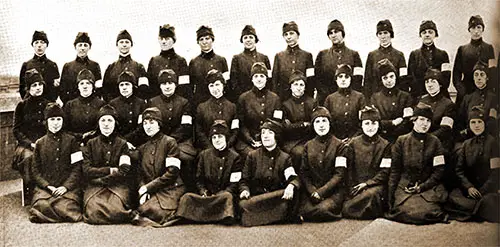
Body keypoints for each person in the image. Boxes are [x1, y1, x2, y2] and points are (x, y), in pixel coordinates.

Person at [386, 103, 449, 225]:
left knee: (428, 211)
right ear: (413, 121)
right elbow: (395, 171)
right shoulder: (401, 141)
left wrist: (422, 187)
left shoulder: (435, 142)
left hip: (429, 187)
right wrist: (390, 195)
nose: (425, 124)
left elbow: (439, 171)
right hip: (405, 186)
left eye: (428, 121)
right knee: (405, 210)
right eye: (421, 120)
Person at [176, 120, 242, 224]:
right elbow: (199, 179)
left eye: (220, 137)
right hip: (207, 197)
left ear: (226, 138)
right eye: (214, 137)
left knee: (227, 197)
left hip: (222, 197)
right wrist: (203, 191)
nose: (217, 140)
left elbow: (234, 183)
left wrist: (223, 193)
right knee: (187, 197)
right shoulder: (204, 155)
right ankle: (215, 215)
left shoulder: (235, 157)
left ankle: (206, 216)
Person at [130, 107, 186, 227]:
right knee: (142, 209)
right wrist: (143, 190)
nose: (148, 126)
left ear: (159, 124)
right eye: (145, 123)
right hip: (154, 190)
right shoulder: (142, 148)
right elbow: (140, 174)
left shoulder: (170, 142)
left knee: (151, 212)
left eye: (152, 122)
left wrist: (148, 188)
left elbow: (172, 173)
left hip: (171, 188)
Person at [239, 119, 300, 226]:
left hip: (276, 197)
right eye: (263, 133)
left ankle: (264, 217)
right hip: (258, 198)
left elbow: (293, 178)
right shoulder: (252, 156)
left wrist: (291, 186)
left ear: (276, 136)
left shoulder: (285, 158)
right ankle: (278, 217)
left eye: (270, 133)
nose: (265, 136)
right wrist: (245, 190)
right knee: (243, 204)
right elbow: (244, 180)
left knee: (290, 198)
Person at [29, 103, 82, 223]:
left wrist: (65, 187)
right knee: (41, 204)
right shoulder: (40, 143)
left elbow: (77, 167)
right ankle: (55, 212)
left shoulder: (72, 141)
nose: (56, 122)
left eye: (59, 119)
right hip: (46, 188)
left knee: (68, 206)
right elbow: (35, 171)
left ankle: (50, 213)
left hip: (67, 188)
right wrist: (48, 186)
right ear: (46, 121)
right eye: (52, 119)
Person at [82, 105, 134, 224]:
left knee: (116, 208)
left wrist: (103, 178)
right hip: (95, 186)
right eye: (103, 120)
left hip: (117, 185)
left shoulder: (123, 144)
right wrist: (110, 170)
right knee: (93, 211)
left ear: (115, 123)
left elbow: (124, 170)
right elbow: (86, 170)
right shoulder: (90, 144)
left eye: (110, 120)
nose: (106, 124)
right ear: (98, 123)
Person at [446, 106, 499, 222]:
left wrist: (482, 191)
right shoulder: (466, 144)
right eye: (473, 122)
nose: (476, 125)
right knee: (452, 196)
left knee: (489, 201)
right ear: (469, 125)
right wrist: (469, 187)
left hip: (488, 189)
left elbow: (496, 172)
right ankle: (478, 208)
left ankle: (478, 206)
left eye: (480, 122)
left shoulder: (493, 143)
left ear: (485, 124)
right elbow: (459, 170)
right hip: (471, 188)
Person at [147, 70, 197, 191]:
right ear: (160, 86)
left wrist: (170, 140)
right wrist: (163, 140)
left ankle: (187, 190)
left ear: (175, 84)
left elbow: (186, 126)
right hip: (158, 140)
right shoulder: (153, 102)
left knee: (186, 159)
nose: (167, 86)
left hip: (181, 141)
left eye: (170, 83)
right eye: (164, 84)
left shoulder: (184, 102)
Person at [299, 107, 351, 221]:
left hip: (333, 192)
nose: (321, 125)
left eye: (324, 121)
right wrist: (312, 191)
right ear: (313, 125)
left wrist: (321, 192)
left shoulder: (340, 146)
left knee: (323, 209)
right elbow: (303, 172)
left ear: (329, 123)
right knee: (301, 207)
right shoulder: (308, 145)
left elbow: (339, 174)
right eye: (317, 121)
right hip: (312, 191)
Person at [343, 106, 391, 219]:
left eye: (374, 123)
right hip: (355, 185)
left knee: (372, 195)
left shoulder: (385, 145)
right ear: (362, 125)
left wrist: (367, 184)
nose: (370, 127)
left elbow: (385, 172)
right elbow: (348, 169)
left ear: (379, 125)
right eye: (367, 123)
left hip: (375, 185)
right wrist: (352, 186)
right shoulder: (353, 143)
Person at [12, 69, 50, 204]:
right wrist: (30, 144)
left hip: (46, 142)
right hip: (27, 145)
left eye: (40, 84)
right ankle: (31, 191)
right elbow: (16, 130)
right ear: (28, 88)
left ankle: (47, 189)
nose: (38, 88)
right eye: (34, 85)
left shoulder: (48, 105)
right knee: (29, 158)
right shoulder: (22, 106)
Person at [236, 62, 282, 158]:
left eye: (262, 76)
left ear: (266, 78)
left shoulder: (275, 98)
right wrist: (250, 139)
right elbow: (241, 124)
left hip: (270, 140)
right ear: (252, 79)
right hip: (249, 142)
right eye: (256, 76)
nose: (259, 79)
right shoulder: (243, 98)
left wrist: (266, 139)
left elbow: (277, 123)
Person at [315, 20, 363, 104]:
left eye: (336, 32)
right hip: (327, 100)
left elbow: (358, 80)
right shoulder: (322, 55)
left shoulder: (354, 55)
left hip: (350, 101)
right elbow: (318, 79)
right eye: (330, 33)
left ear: (342, 33)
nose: (333, 35)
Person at [453, 15, 495, 106]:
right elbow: (456, 73)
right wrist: (462, 91)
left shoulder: (489, 48)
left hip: (484, 91)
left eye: (479, 27)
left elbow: (492, 71)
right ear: (469, 30)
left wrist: (489, 90)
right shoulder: (462, 49)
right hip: (466, 91)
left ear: (483, 29)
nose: (476, 31)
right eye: (473, 28)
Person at [370, 59, 413, 143]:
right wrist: (392, 123)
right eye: (385, 78)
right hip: (381, 140)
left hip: (401, 139)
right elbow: (376, 122)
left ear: (396, 76)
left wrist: (392, 133)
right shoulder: (375, 98)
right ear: (381, 80)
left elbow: (407, 122)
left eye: (391, 76)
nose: (389, 80)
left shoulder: (405, 96)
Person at [282, 70, 317, 169]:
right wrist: (303, 124)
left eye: (301, 85)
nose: (298, 87)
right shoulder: (286, 104)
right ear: (291, 87)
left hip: (310, 139)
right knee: (299, 153)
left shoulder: (312, 102)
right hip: (293, 141)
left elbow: (315, 123)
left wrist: (294, 125)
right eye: (295, 84)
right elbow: (285, 127)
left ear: (305, 87)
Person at [364, 20, 408, 99]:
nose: (383, 36)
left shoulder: (399, 55)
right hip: (377, 99)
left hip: (395, 98)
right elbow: (367, 81)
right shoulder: (372, 55)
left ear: (391, 34)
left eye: (385, 33)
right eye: (380, 33)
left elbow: (404, 81)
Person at [195, 70, 238, 150]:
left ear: (223, 85)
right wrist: (210, 147)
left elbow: (235, 131)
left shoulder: (232, 107)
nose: (215, 88)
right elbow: (199, 131)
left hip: (228, 148)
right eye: (211, 85)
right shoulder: (202, 107)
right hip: (208, 148)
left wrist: (227, 145)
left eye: (217, 85)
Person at [408, 20, 451, 101]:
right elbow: (411, 78)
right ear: (420, 35)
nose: (427, 35)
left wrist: (435, 92)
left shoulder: (443, 54)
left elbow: (446, 78)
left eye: (430, 32)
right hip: (419, 96)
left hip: (440, 96)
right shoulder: (414, 54)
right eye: (424, 32)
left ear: (435, 34)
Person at [272, 21, 314, 101]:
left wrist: (309, 100)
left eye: (291, 33)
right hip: (283, 99)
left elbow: (311, 80)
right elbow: (274, 81)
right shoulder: (279, 57)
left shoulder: (307, 56)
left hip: (303, 99)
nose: (288, 37)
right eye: (286, 34)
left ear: (298, 35)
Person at [229, 25, 272, 103]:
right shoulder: (237, 59)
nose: (248, 40)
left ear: (255, 39)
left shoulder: (264, 58)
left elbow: (269, 81)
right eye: (245, 37)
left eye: (251, 37)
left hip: (263, 100)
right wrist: (243, 98)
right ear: (242, 40)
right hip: (244, 100)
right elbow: (234, 83)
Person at [102, 30, 148, 101]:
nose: (124, 45)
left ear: (131, 44)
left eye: (127, 42)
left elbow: (143, 91)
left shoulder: (139, 67)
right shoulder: (111, 67)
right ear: (117, 45)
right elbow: (106, 90)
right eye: (121, 42)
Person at [146, 25, 190, 100]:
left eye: (167, 38)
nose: (163, 41)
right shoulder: (153, 61)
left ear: (173, 40)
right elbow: (151, 87)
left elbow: (184, 88)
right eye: (161, 38)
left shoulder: (181, 61)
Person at [457, 61, 498, 141]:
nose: (479, 78)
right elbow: (460, 122)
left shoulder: (494, 98)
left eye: (482, 75)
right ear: (473, 78)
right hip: (469, 140)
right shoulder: (467, 98)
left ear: (487, 78)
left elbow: (493, 122)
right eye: (476, 75)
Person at [189, 25, 229, 107]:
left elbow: (227, 84)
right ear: (198, 42)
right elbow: (190, 87)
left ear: (212, 39)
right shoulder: (194, 62)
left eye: (207, 38)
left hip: (219, 104)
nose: (204, 42)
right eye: (201, 39)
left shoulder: (221, 60)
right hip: (200, 104)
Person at [324, 64, 366, 140]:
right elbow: (327, 123)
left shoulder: (359, 97)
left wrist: (352, 139)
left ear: (351, 79)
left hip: (356, 139)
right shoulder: (330, 99)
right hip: (335, 140)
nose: (343, 79)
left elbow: (363, 122)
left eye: (346, 77)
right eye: (340, 77)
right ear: (336, 79)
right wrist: (337, 140)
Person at [64, 69, 106, 145]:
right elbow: (65, 129)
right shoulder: (70, 105)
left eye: (88, 83)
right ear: (78, 86)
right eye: (82, 83)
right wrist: (80, 136)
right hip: (75, 144)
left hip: (97, 144)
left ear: (93, 86)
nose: (85, 86)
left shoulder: (101, 104)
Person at [60, 32, 102, 104]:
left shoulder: (95, 66)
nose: (82, 48)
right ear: (75, 47)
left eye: (85, 45)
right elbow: (62, 90)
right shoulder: (68, 66)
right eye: (80, 45)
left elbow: (98, 88)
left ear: (89, 47)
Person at [19, 31, 60, 102]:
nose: (39, 45)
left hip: (49, 105)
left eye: (42, 42)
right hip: (32, 105)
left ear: (46, 45)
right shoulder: (27, 65)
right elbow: (22, 88)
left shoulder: (52, 65)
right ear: (33, 45)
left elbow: (56, 88)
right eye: (36, 42)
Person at [109, 71, 147, 140]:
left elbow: (141, 126)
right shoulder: (113, 104)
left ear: (133, 86)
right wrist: (123, 141)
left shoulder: (141, 103)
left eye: (127, 84)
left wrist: (129, 140)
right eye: (121, 85)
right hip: (118, 141)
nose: (124, 88)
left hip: (137, 141)